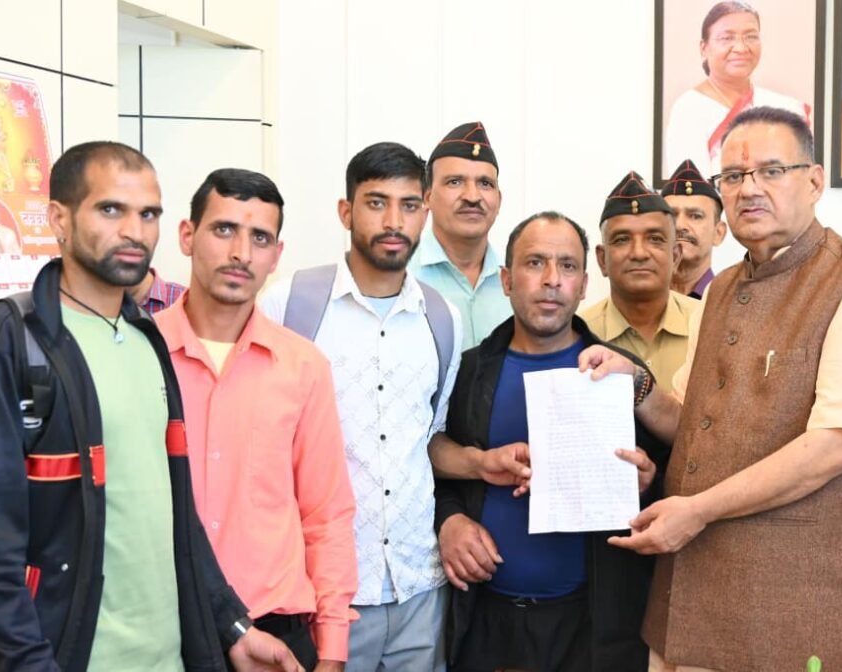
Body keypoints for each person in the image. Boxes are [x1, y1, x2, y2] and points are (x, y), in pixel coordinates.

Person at [582, 107, 842, 671]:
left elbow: (838, 445)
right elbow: (693, 424)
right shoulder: (720, 291)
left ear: (814, 182)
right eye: (735, 176)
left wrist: (697, 510)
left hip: (813, 611)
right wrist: (636, 383)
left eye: (771, 171)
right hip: (697, 603)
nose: (750, 189)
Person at [0, 141, 300, 671]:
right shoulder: (11, 344)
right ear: (59, 219)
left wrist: (233, 628)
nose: (135, 231)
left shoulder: (148, 338)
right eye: (111, 210)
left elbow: (177, 517)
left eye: (148, 214)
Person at [430, 211, 669, 672]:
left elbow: (671, 480)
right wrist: (449, 521)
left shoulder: (618, 373)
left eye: (568, 266)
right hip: (485, 619)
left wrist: (647, 481)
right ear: (506, 280)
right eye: (535, 263)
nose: (552, 280)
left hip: (593, 626)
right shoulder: (469, 371)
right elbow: (431, 469)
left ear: (584, 285)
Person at [260, 142, 462, 672]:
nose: (394, 221)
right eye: (376, 203)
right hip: (321, 594)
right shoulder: (289, 304)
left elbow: (430, 436)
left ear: (425, 213)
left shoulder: (443, 318)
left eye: (409, 205)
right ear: (345, 211)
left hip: (419, 587)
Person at [155, 168, 358, 670]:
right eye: (224, 229)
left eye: (259, 238)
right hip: (164, 627)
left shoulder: (302, 365)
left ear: (276, 254)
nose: (241, 253)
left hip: (277, 629)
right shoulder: (141, 353)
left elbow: (326, 514)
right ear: (187, 235)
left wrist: (332, 648)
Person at [580, 171, 699, 389]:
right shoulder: (577, 335)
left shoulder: (706, 325)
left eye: (655, 239)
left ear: (675, 257)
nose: (639, 253)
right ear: (602, 259)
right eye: (622, 240)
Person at [663, 1, 811, 175]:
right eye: (726, 38)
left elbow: (800, 180)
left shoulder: (786, 107)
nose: (741, 48)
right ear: (704, 48)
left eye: (751, 37)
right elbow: (694, 188)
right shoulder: (689, 109)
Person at [409, 121, 512, 349]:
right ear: (427, 197)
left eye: (485, 183)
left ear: (498, 200)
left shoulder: (518, 284)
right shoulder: (401, 279)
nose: (472, 196)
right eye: (455, 182)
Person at [661, 159, 727, 299]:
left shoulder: (731, 304)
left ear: (718, 233)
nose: (680, 225)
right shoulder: (637, 303)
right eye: (671, 215)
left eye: (695, 216)